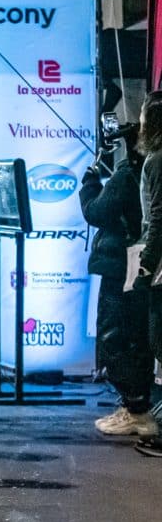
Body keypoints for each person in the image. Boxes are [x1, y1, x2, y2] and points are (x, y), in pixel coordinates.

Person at [80, 123, 155, 438]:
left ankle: (137, 409)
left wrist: (89, 184)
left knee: (116, 337)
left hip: (121, 266)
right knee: (133, 336)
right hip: (135, 266)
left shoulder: (127, 176)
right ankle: (133, 405)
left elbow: (95, 212)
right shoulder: (143, 171)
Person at [131, 91, 162, 457]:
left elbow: (157, 219)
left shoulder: (156, 162)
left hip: (159, 269)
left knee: (158, 341)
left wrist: (145, 265)